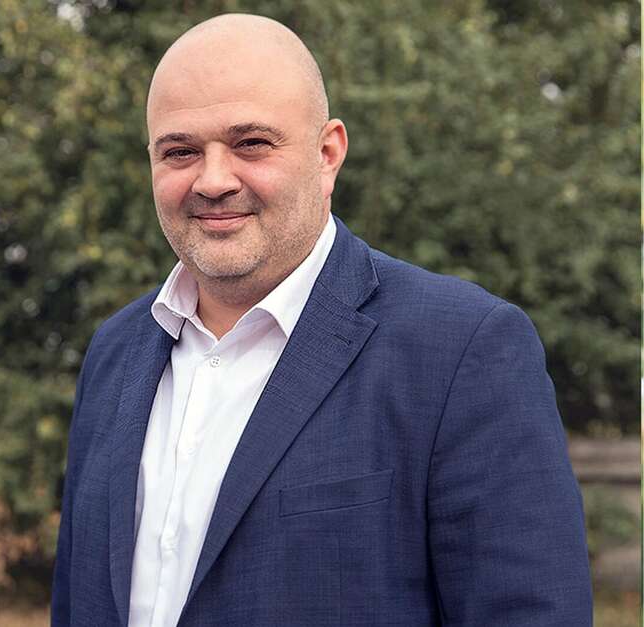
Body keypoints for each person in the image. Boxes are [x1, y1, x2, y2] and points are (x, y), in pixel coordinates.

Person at [51, 13, 592, 627]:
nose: (213, 180)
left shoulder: (462, 351)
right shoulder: (115, 352)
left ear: (328, 153)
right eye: (180, 152)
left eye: (252, 144)